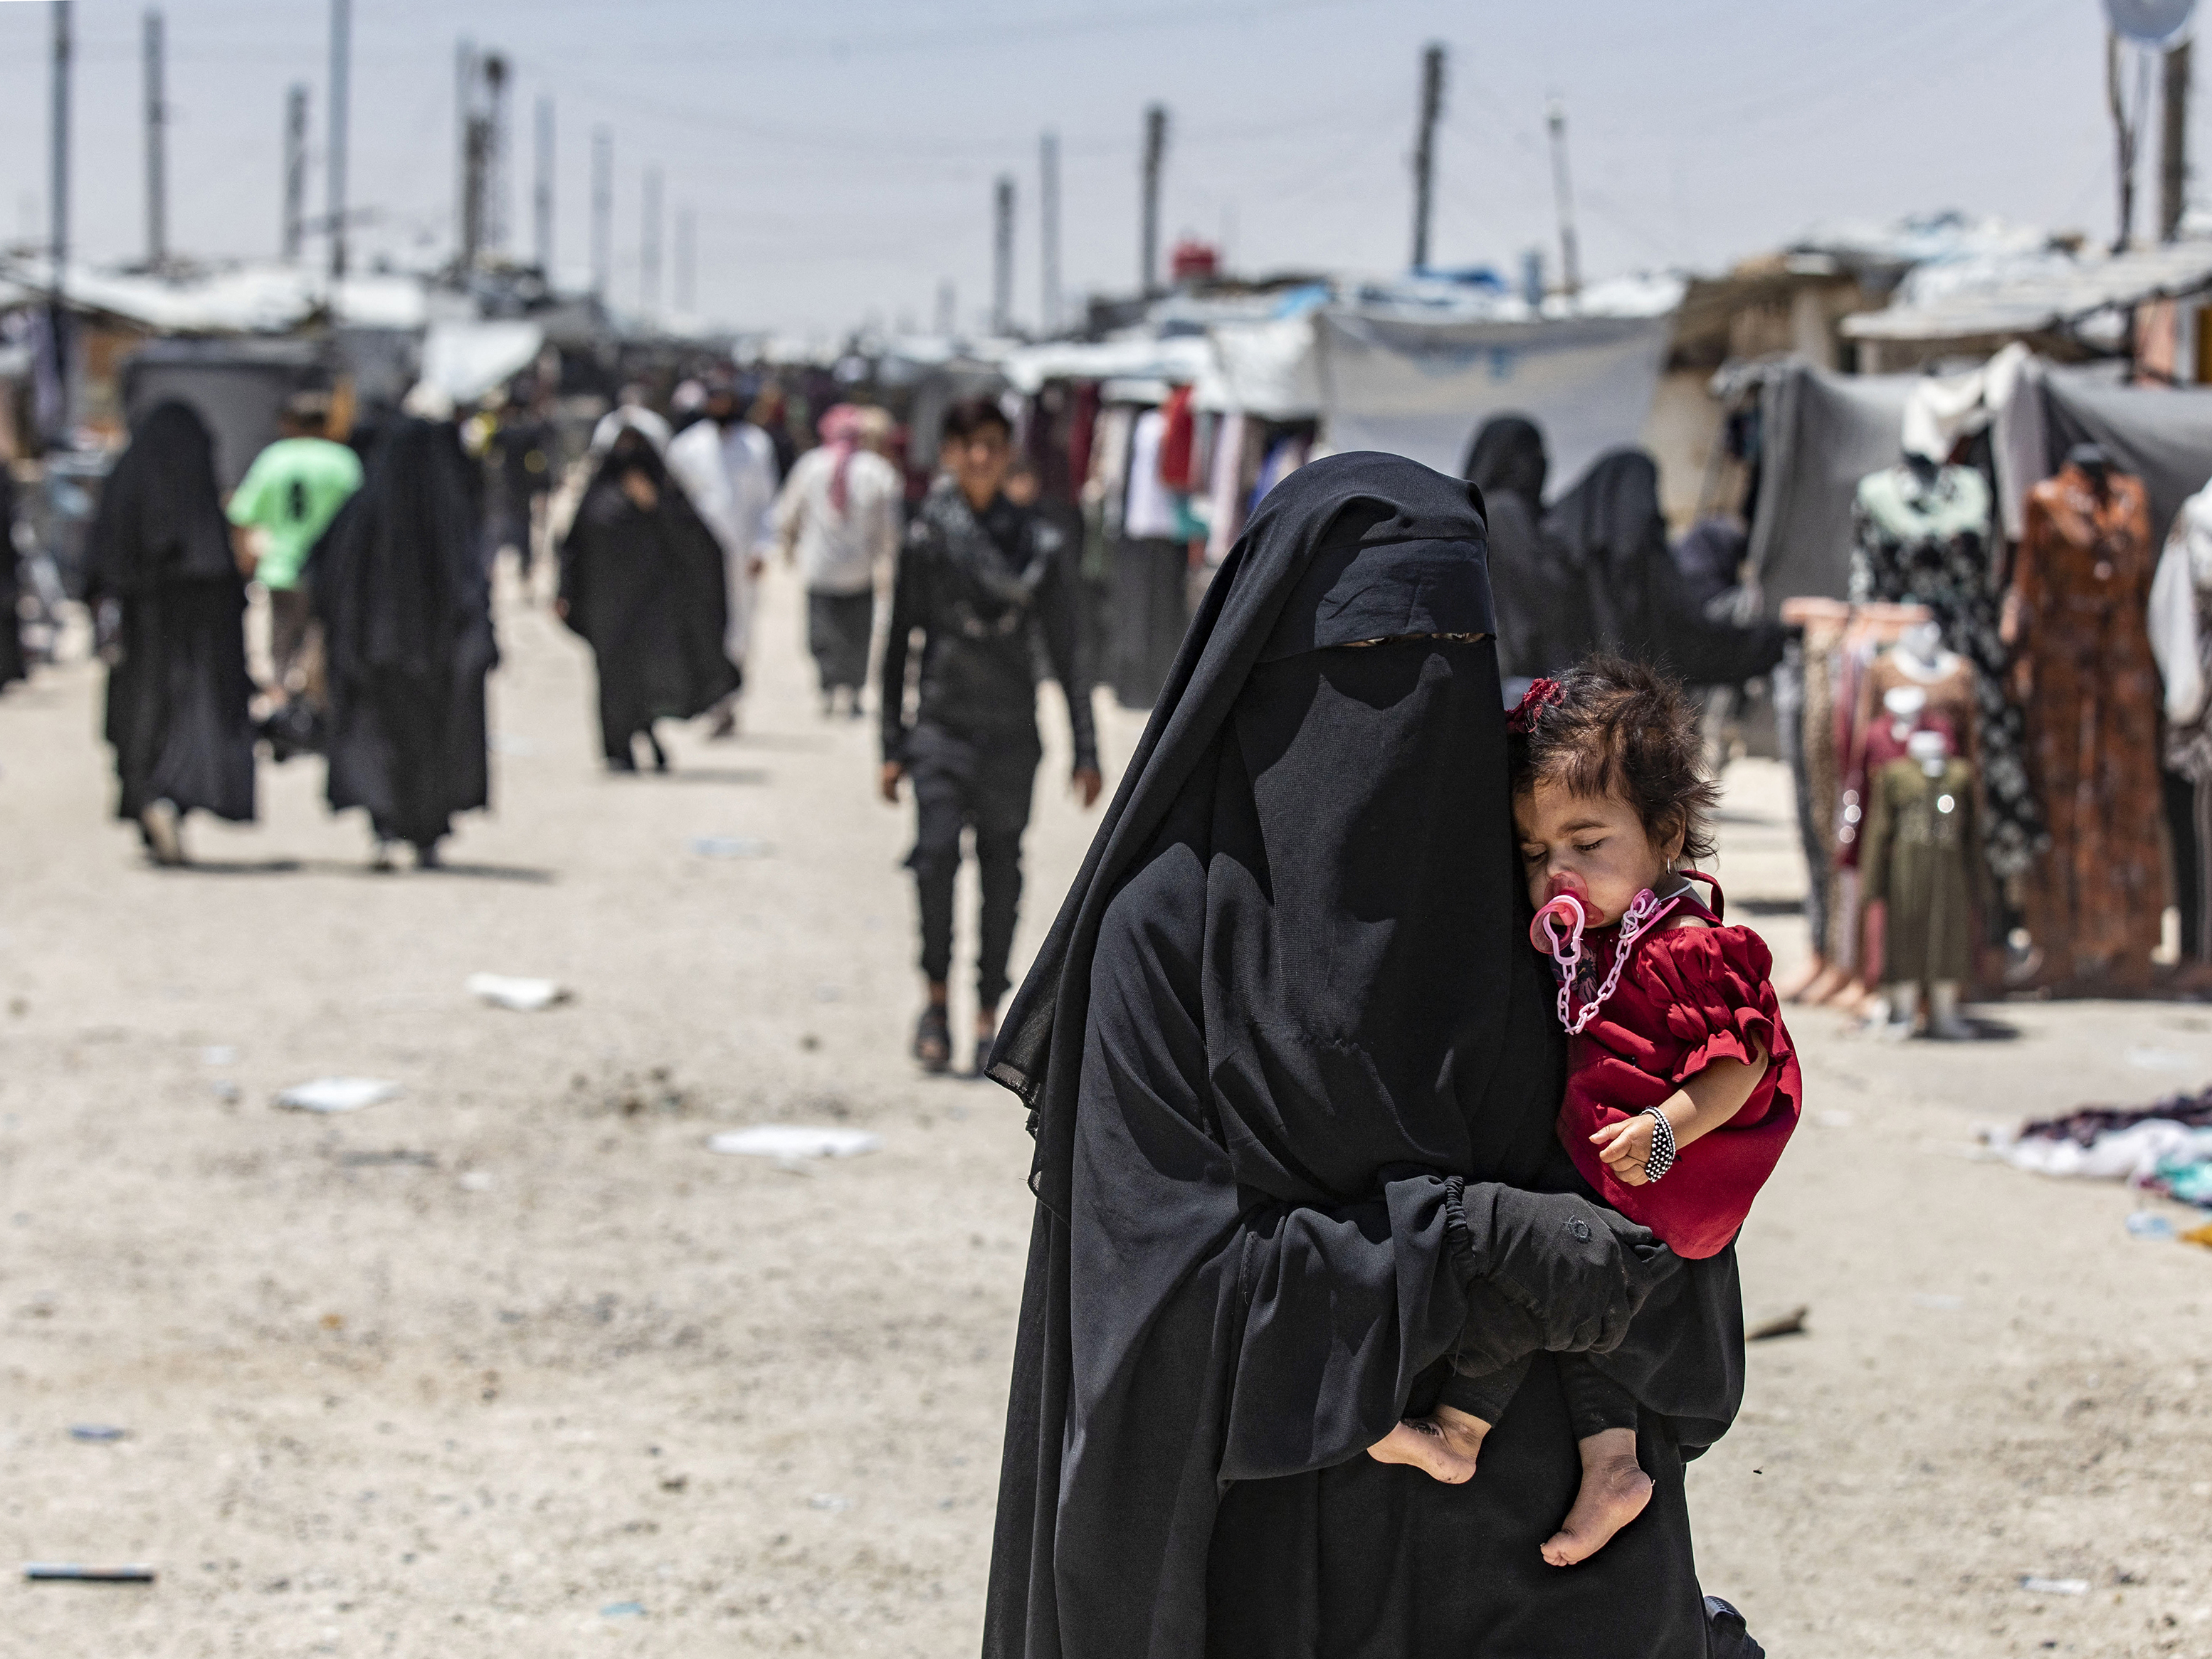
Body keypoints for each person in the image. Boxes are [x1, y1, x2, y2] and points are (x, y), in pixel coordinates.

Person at [980, 453, 1762, 1659]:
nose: (1405, 712)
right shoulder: (1165, 941)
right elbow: (1154, 1315)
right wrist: (1464, 1243)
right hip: (1276, 1582)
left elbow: (1662, 1248)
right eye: (1360, 665)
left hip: (1546, 1566)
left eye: (1449, 664)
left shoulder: (1543, 917)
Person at [1371, 658, 1801, 1572]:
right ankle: (1612, 1468)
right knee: (1589, 1329)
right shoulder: (1600, 937)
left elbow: (1741, 1062)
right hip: (1617, 1181)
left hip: (1652, 1179)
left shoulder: (1688, 942)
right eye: (1536, 853)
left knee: (1529, 1298)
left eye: (1586, 842)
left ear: (1667, 833)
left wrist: (1665, 1131)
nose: (1557, 871)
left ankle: (1457, 1429)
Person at [880, 396, 1102, 1075]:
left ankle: (986, 1013)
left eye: (991, 444)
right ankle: (935, 1000)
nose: (979, 457)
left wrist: (1086, 748)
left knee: (1003, 872)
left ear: (1007, 455)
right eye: (966, 444)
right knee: (936, 860)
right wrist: (891, 744)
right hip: (942, 730)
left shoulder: (1040, 543)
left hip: (1011, 735)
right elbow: (898, 646)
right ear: (948, 454)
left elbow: (1068, 653)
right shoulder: (926, 539)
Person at [308, 413, 497, 870]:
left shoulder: (360, 513)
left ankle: (386, 826)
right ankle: (426, 830)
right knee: (431, 739)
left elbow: (325, 581)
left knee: (379, 735)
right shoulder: (451, 521)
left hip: (372, 653)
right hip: (437, 659)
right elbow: (470, 593)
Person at [84, 401, 256, 865]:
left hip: (141, 634)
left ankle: (148, 799)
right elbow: (226, 582)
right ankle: (171, 800)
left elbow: (97, 565)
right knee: (189, 720)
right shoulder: (199, 502)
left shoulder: (127, 481)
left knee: (140, 719)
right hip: (196, 639)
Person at [557, 426, 739, 773]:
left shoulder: (665, 494)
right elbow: (573, 548)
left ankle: (648, 734)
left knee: (650, 675)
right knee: (612, 678)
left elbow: (698, 546)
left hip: (653, 607)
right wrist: (564, 592)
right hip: (606, 608)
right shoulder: (597, 497)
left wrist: (656, 506)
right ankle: (617, 749)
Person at [225, 390, 364, 744]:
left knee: (281, 643)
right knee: (324, 640)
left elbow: (242, 515)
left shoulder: (275, 459)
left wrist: (245, 561)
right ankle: (317, 709)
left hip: (282, 568)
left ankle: (283, 709)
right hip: (334, 572)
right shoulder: (344, 462)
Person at [666, 376, 780, 738]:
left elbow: (767, 503)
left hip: (741, 557)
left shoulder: (756, 445)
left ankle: (728, 702)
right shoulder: (686, 448)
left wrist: (763, 547)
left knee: (740, 629)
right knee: (703, 627)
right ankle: (709, 699)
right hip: (696, 560)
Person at [773, 404, 900, 716]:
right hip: (857, 571)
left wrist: (788, 548)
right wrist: (889, 564)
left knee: (823, 633)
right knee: (857, 635)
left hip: (821, 569)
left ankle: (830, 687)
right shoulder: (878, 471)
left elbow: (786, 513)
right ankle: (851, 690)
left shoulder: (811, 466)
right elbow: (892, 530)